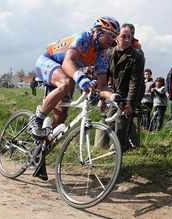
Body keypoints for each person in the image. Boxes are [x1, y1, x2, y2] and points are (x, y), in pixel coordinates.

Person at [29, 16, 121, 180]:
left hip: (68, 74)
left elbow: (102, 87)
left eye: (115, 38)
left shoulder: (102, 56)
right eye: (111, 36)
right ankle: (37, 119)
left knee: (61, 117)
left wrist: (116, 98)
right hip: (48, 62)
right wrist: (81, 78)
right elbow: (67, 62)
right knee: (66, 83)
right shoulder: (84, 38)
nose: (113, 41)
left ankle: (39, 155)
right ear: (98, 32)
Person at [107, 25, 145, 151]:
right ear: (116, 37)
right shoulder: (110, 53)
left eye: (129, 37)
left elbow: (135, 81)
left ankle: (120, 150)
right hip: (117, 92)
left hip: (132, 91)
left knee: (122, 120)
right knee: (110, 119)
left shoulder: (136, 56)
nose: (127, 40)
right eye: (123, 36)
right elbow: (106, 74)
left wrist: (129, 102)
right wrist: (102, 96)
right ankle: (120, 144)